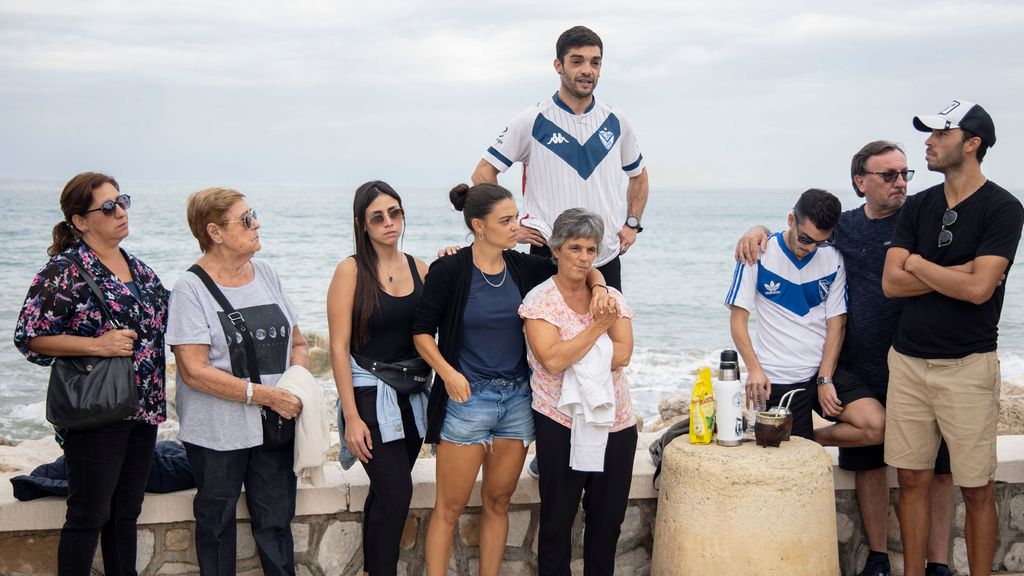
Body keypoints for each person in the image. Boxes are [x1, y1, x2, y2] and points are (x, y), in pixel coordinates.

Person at [736, 141, 956, 576]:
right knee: (869, 463)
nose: (900, 183)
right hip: (861, 364)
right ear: (861, 181)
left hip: (925, 360)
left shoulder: (922, 221)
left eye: (905, 174)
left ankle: (940, 563)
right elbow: (798, 233)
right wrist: (756, 230)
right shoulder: (842, 229)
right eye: (888, 175)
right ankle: (877, 556)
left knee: (939, 467)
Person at [413, 183, 611, 576]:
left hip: (517, 401)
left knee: (498, 501)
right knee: (449, 507)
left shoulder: (523, 266)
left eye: (516, 217)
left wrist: (601, 286)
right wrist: (448, 374)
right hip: (466, 400)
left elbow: (580, 267)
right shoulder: (449, 269)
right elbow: (421, 333)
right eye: (505, 220)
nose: (516, 226)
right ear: (478, 226)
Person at [882, 100, 1022, 576]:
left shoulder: (1003, 209)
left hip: (967, 365)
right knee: (912, 479)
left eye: (940, 134)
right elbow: (890, 283)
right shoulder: (919, 205)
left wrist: (919, 263)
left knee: (977, 488)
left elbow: (980, 290)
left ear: (972, 143)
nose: (929, 142)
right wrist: (953, 271)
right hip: (908, 362)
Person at [14, 172, 169, 576]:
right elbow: (30, 336)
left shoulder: (137, 268)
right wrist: (97, 345)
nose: (120, 212)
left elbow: (174, 316)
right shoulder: (65, 270)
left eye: (121, 201)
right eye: (107, 207)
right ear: (80, 221)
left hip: (143, 408)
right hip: (96, 410)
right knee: (88, 516)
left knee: (125, 514)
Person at [167, 187, 308, 576]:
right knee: (216, 526)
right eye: (246, 219)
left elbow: (298, 342)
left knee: (277, 524)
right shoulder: (189, 288)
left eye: (253, 214)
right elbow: (194, 370)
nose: (256, 223)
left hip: (276, 426)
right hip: (217, 434)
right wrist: (265, 395)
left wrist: (293, 387)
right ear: (215, 232)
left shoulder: (267, 274)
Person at [470, 25, 648, 292]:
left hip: (603, 255)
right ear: (559, 65)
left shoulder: (616, 121)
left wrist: (632, 224)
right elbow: (483, 173)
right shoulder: (532, 120)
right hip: (546, 255)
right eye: (577, 61)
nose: (587, 69)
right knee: (541, 334)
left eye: (595, 62)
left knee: (611, 333)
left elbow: (639, 175)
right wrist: (511, 226)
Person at [520, 208, 636, 575]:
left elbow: (623, 355)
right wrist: (598, 329)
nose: (583, 258)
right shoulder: (541, 301)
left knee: (607, 523)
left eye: (590, 249)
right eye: (575, 248)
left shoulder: (609, 296)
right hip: (560, 420)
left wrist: (579, 347)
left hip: (615, 421)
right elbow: (552, 360)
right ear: (555, 249)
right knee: (557, 522)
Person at [327, 181, 430, 576]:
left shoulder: (420, 268)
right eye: (378, 217)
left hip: (412, 396)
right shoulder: (350, 271)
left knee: (386, 495)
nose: (389, 223)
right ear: (363, 224)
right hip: (370, 394)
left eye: (395, 212)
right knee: (397, 492)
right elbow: (338, 349)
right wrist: (351, 418)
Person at [725, 188, 846, 439]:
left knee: (874, 425)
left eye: (820, 241)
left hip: (819, 374)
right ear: (791, 220)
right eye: (805, 239)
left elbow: (837, 323)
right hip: (776, 377)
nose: (811, 248)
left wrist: (825, 379)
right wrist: (754, 369)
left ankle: (809, 437)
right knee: (781, 454)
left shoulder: (833, 257)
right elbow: (738, 319)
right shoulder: (757, 253)